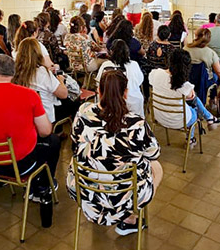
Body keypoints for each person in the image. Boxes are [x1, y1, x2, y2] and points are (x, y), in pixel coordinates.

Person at [67, 69, 163, 235]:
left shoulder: (83, 113)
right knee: (156, 166)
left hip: (87, 194)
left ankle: (108, 212)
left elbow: (75, 142)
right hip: (125, 199)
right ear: (125, 93)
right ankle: (130, 218)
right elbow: (153, 153)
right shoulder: (136, 124)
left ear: (99, 91)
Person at [0, 54, 59, 192]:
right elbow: (45, 131)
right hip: (20, 164)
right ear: (13, 73)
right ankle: (42, 186)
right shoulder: (29, 95)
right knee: (53, 140)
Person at [150, 49, 220, 148]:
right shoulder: (184, 85)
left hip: (159, 117)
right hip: (180, 121)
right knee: (193, 107)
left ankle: (209, 119)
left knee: (189, 104)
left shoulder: (155, 74)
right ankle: (192, 137)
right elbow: (192, 98)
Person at [13, 38, 80, 124]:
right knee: (75, 101)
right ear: (38, 53)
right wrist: (61, 81)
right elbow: (63, 94)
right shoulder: (41, 72)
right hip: (46, 115)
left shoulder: (15, 73)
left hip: (27, 114)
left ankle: (59, 131)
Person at [97, 39, 145, 117]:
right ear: (127, 52)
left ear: (111, 52)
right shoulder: (134, 65)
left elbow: (99, 83)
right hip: (133, 103)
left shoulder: (105, 65)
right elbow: (140, 81)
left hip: (109, 103)